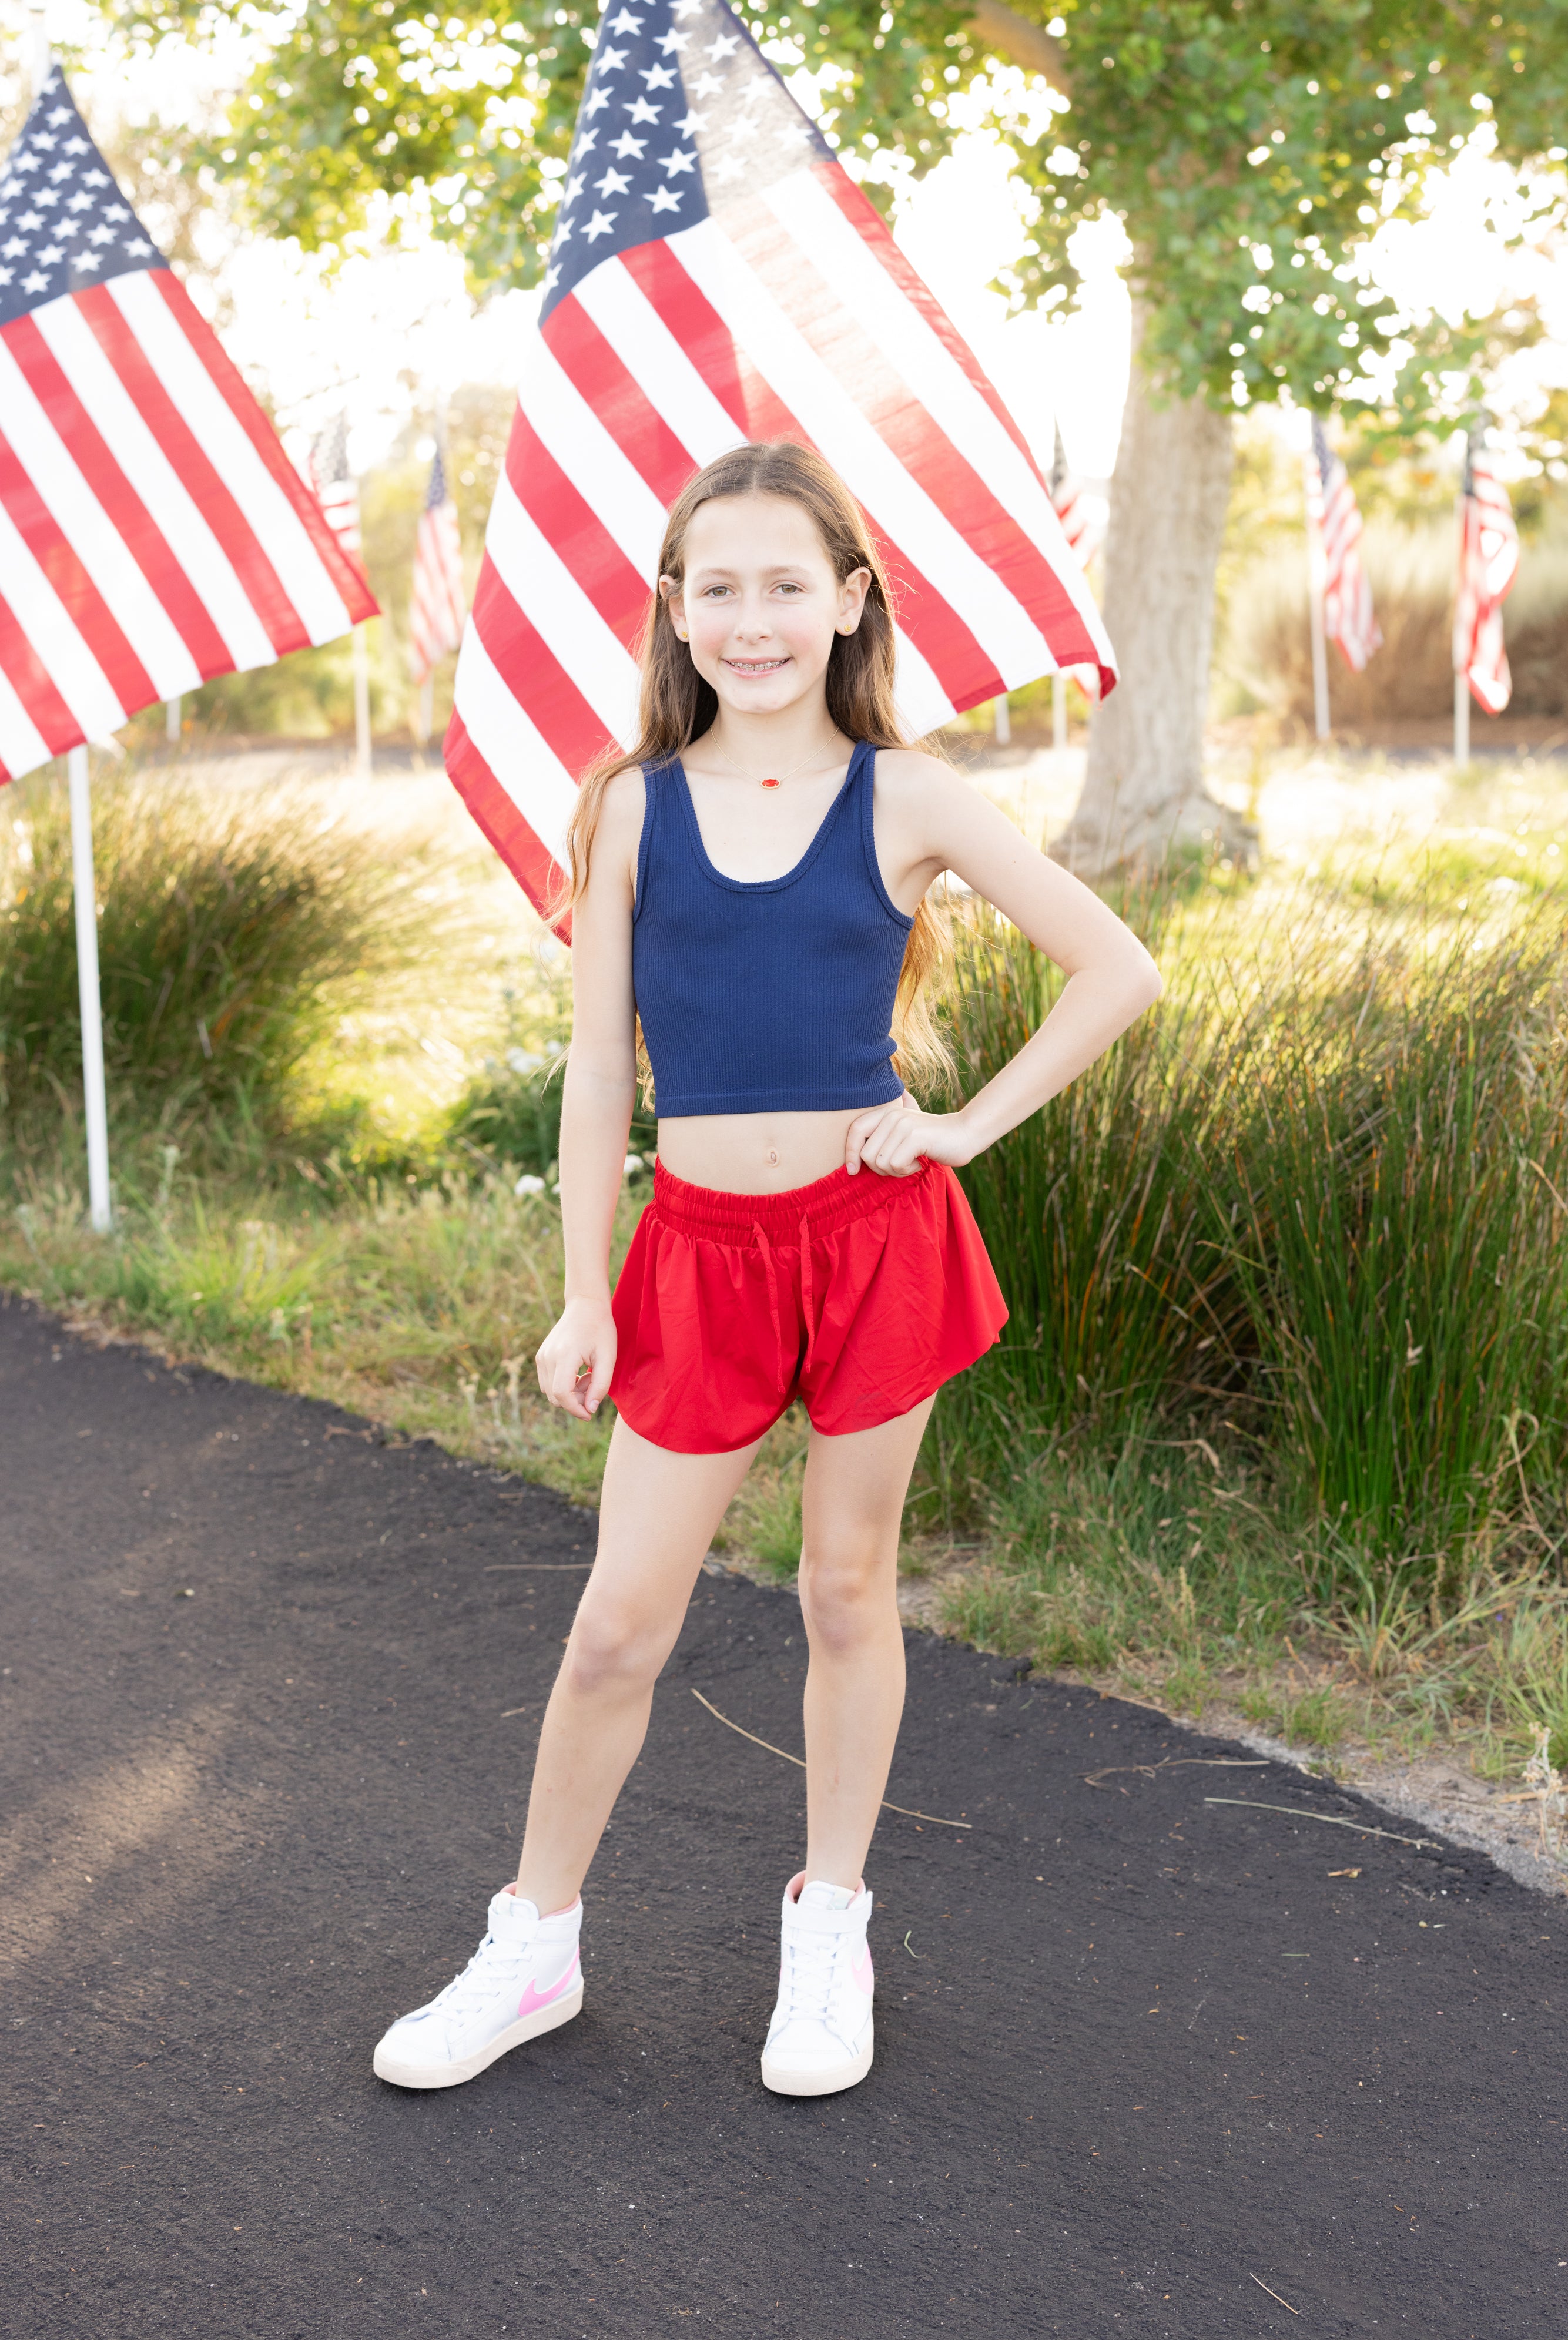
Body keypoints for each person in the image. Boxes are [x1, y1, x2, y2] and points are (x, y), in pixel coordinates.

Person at [373, 440, 1162, 2100]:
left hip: (876, 1244)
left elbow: (1117, 966)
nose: (750, 618)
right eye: (715, 587)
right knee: (614, 1627)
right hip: (699, 1258)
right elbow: (601, 1065)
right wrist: (585, 1286)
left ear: (849, 602)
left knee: (843, 1589)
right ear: (673, 609)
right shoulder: (632, 809)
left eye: (784, 585)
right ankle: (533, 1946)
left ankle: (827, 1926)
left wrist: (960, 1129)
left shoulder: (911, 795)